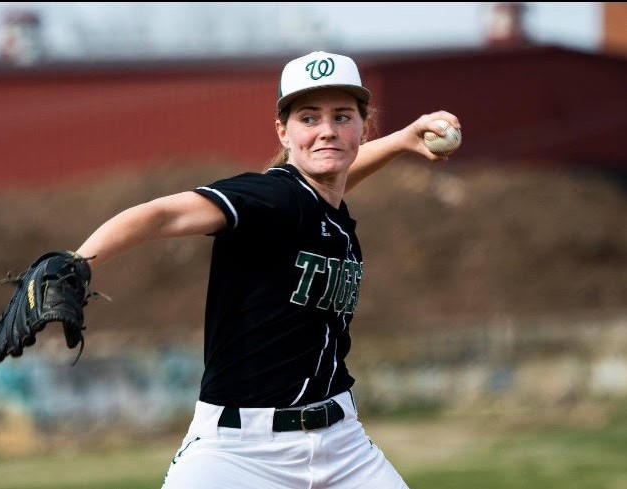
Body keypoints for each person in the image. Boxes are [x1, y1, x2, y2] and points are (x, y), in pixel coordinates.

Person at [74, 51, 461, 488]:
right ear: (283, 131)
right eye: (309, 119)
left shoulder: (320, 204)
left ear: (363, 125)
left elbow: (333, 173)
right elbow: (163, 215)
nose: (327, 131)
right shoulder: (271, 196)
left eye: (342, 117)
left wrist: (401, 140)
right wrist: (76, 265)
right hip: (239, 452)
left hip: (343, 447)